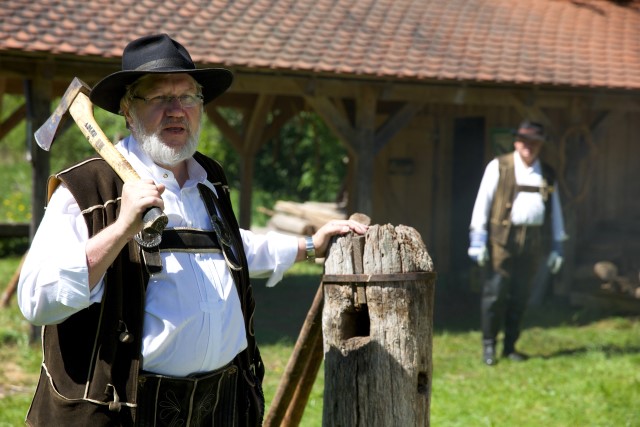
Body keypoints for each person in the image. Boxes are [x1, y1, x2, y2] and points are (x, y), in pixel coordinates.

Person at [18, 34, 368, 426]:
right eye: (159, 98)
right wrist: (121, 228)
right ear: (128, 111)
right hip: (125, 414)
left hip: (220, 407)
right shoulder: (86, 190)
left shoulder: (209, 180)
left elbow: (230, 248)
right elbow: (37, 300)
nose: (176, 111)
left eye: (187, 97)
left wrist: (309, 245)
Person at [468, 120, 567, 366]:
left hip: (533, 243)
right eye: (524, 141)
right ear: (516, 142)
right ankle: (489, 348)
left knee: (521, 296)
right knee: (495, 294)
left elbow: (556, 211)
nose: (529, 146)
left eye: (534, 142)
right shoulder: (499, 166)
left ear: (540, 145)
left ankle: (510, 346)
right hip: (502, 241)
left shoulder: (547, 172)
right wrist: (478, 240)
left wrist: (558, 245)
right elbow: (483, 202)